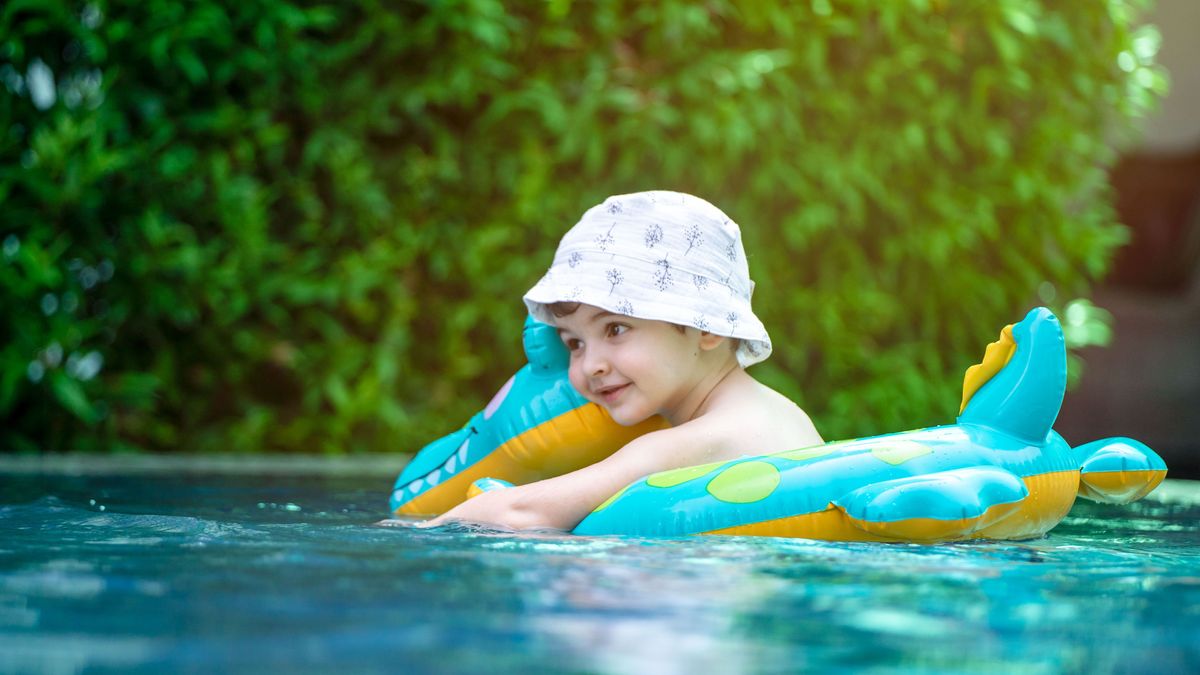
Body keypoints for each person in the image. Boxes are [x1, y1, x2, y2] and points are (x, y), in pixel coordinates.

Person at [424, 190, 822, 530]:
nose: (588, 366)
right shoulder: (776, 414)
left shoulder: (702, 440)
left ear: (707, 327)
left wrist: (427, 529)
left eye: (615, 329)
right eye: (574, 343)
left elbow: (520, 513)